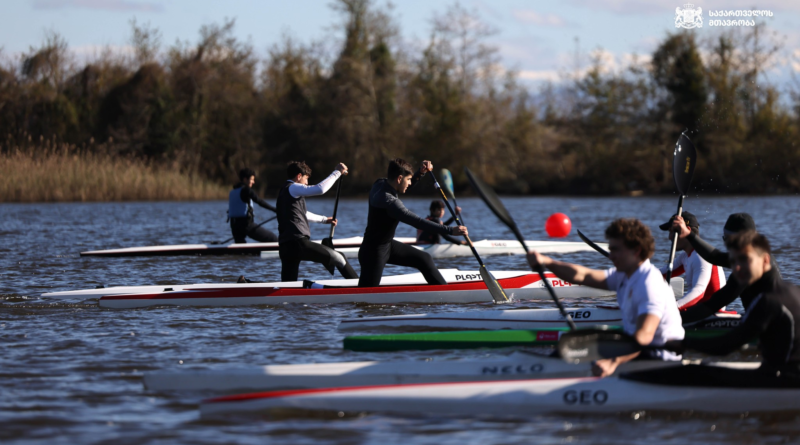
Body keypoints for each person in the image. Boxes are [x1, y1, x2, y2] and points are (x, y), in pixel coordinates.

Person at [527, 218, 684, 377]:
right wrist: (547, 262)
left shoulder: (649, 283)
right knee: (569, 349)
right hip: (635, 349)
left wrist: (612, 362)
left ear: (636, 250)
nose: (611, 256)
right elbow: (583, 275)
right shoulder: (625, 275)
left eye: (616, 250)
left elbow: (644, 336)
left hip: (658, 360)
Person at [643, 231, 800, 386]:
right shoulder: (791, 290)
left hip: (784, 380)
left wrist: (683, 343)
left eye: (744, 260)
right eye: (733, 262)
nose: (737, 268)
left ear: (765, 260)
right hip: (783, 373)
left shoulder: (768, 301)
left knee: (693, 370)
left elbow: (725, 346)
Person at [358, 159, 468, 287]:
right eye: (408, 179)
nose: (410, 183)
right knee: (367, 299)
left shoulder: (379, 183)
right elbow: (418, 222)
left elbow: (403, 187)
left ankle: (446, 292)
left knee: (424, 259)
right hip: (373, 254)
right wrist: (450, 230)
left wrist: (420, 173)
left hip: (386, 246)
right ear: (399, 178)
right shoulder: (390, 202)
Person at [671, 213, 781, 323]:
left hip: (767, 327)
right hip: (760, 322)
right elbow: (715, 257)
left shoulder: (747, 269)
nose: (726, 245)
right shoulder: (752, 258)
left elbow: (714, 304)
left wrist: (673, 319)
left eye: (727, 239)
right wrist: (689, 235)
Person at [277, 161, 358, 282]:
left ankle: (246, 284)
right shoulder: (293, 187)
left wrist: (325, 220)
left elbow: (303, 214)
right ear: (299, 176)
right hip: (298, 244)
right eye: (306, 179)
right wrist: (337, 172)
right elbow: (320, 189)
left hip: (285, 247)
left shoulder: (284, 191)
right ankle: (363, 288)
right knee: (340, 258)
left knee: (287, 287)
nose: (307, 183)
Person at [658, 212, 726, 310]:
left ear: (687, 230)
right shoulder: (685, 256)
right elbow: (658, 274)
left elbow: (698, 293)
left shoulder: (701, 256)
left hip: (711, 314)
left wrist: (672, 309)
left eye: (673, 232)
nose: (669, 237)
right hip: (697, 312)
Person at [228, 168, 278, 243]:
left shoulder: (233, 191)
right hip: (246, 225)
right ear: (245, 179)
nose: (253, 182)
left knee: (241, 247)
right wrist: (276, 210)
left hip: (234, 227)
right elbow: (259, 201)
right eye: (252, 179)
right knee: (273, 239)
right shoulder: (246, 190)